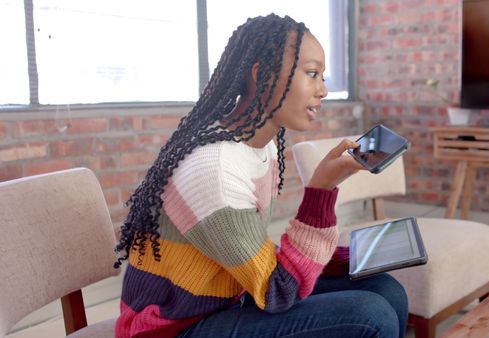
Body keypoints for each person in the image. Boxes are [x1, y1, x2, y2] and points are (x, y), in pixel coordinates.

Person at [114, 14, 408, 338]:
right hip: (176, 326)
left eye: (322, 76)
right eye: (312, 74)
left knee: (385, 288)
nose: (323, 90)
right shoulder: (215, 168)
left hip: (229, 293)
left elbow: (253, 255)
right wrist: (321, 191)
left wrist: (345, 258)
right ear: (262, 75)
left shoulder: (258, 144)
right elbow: (276, 291)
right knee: (371, 315)